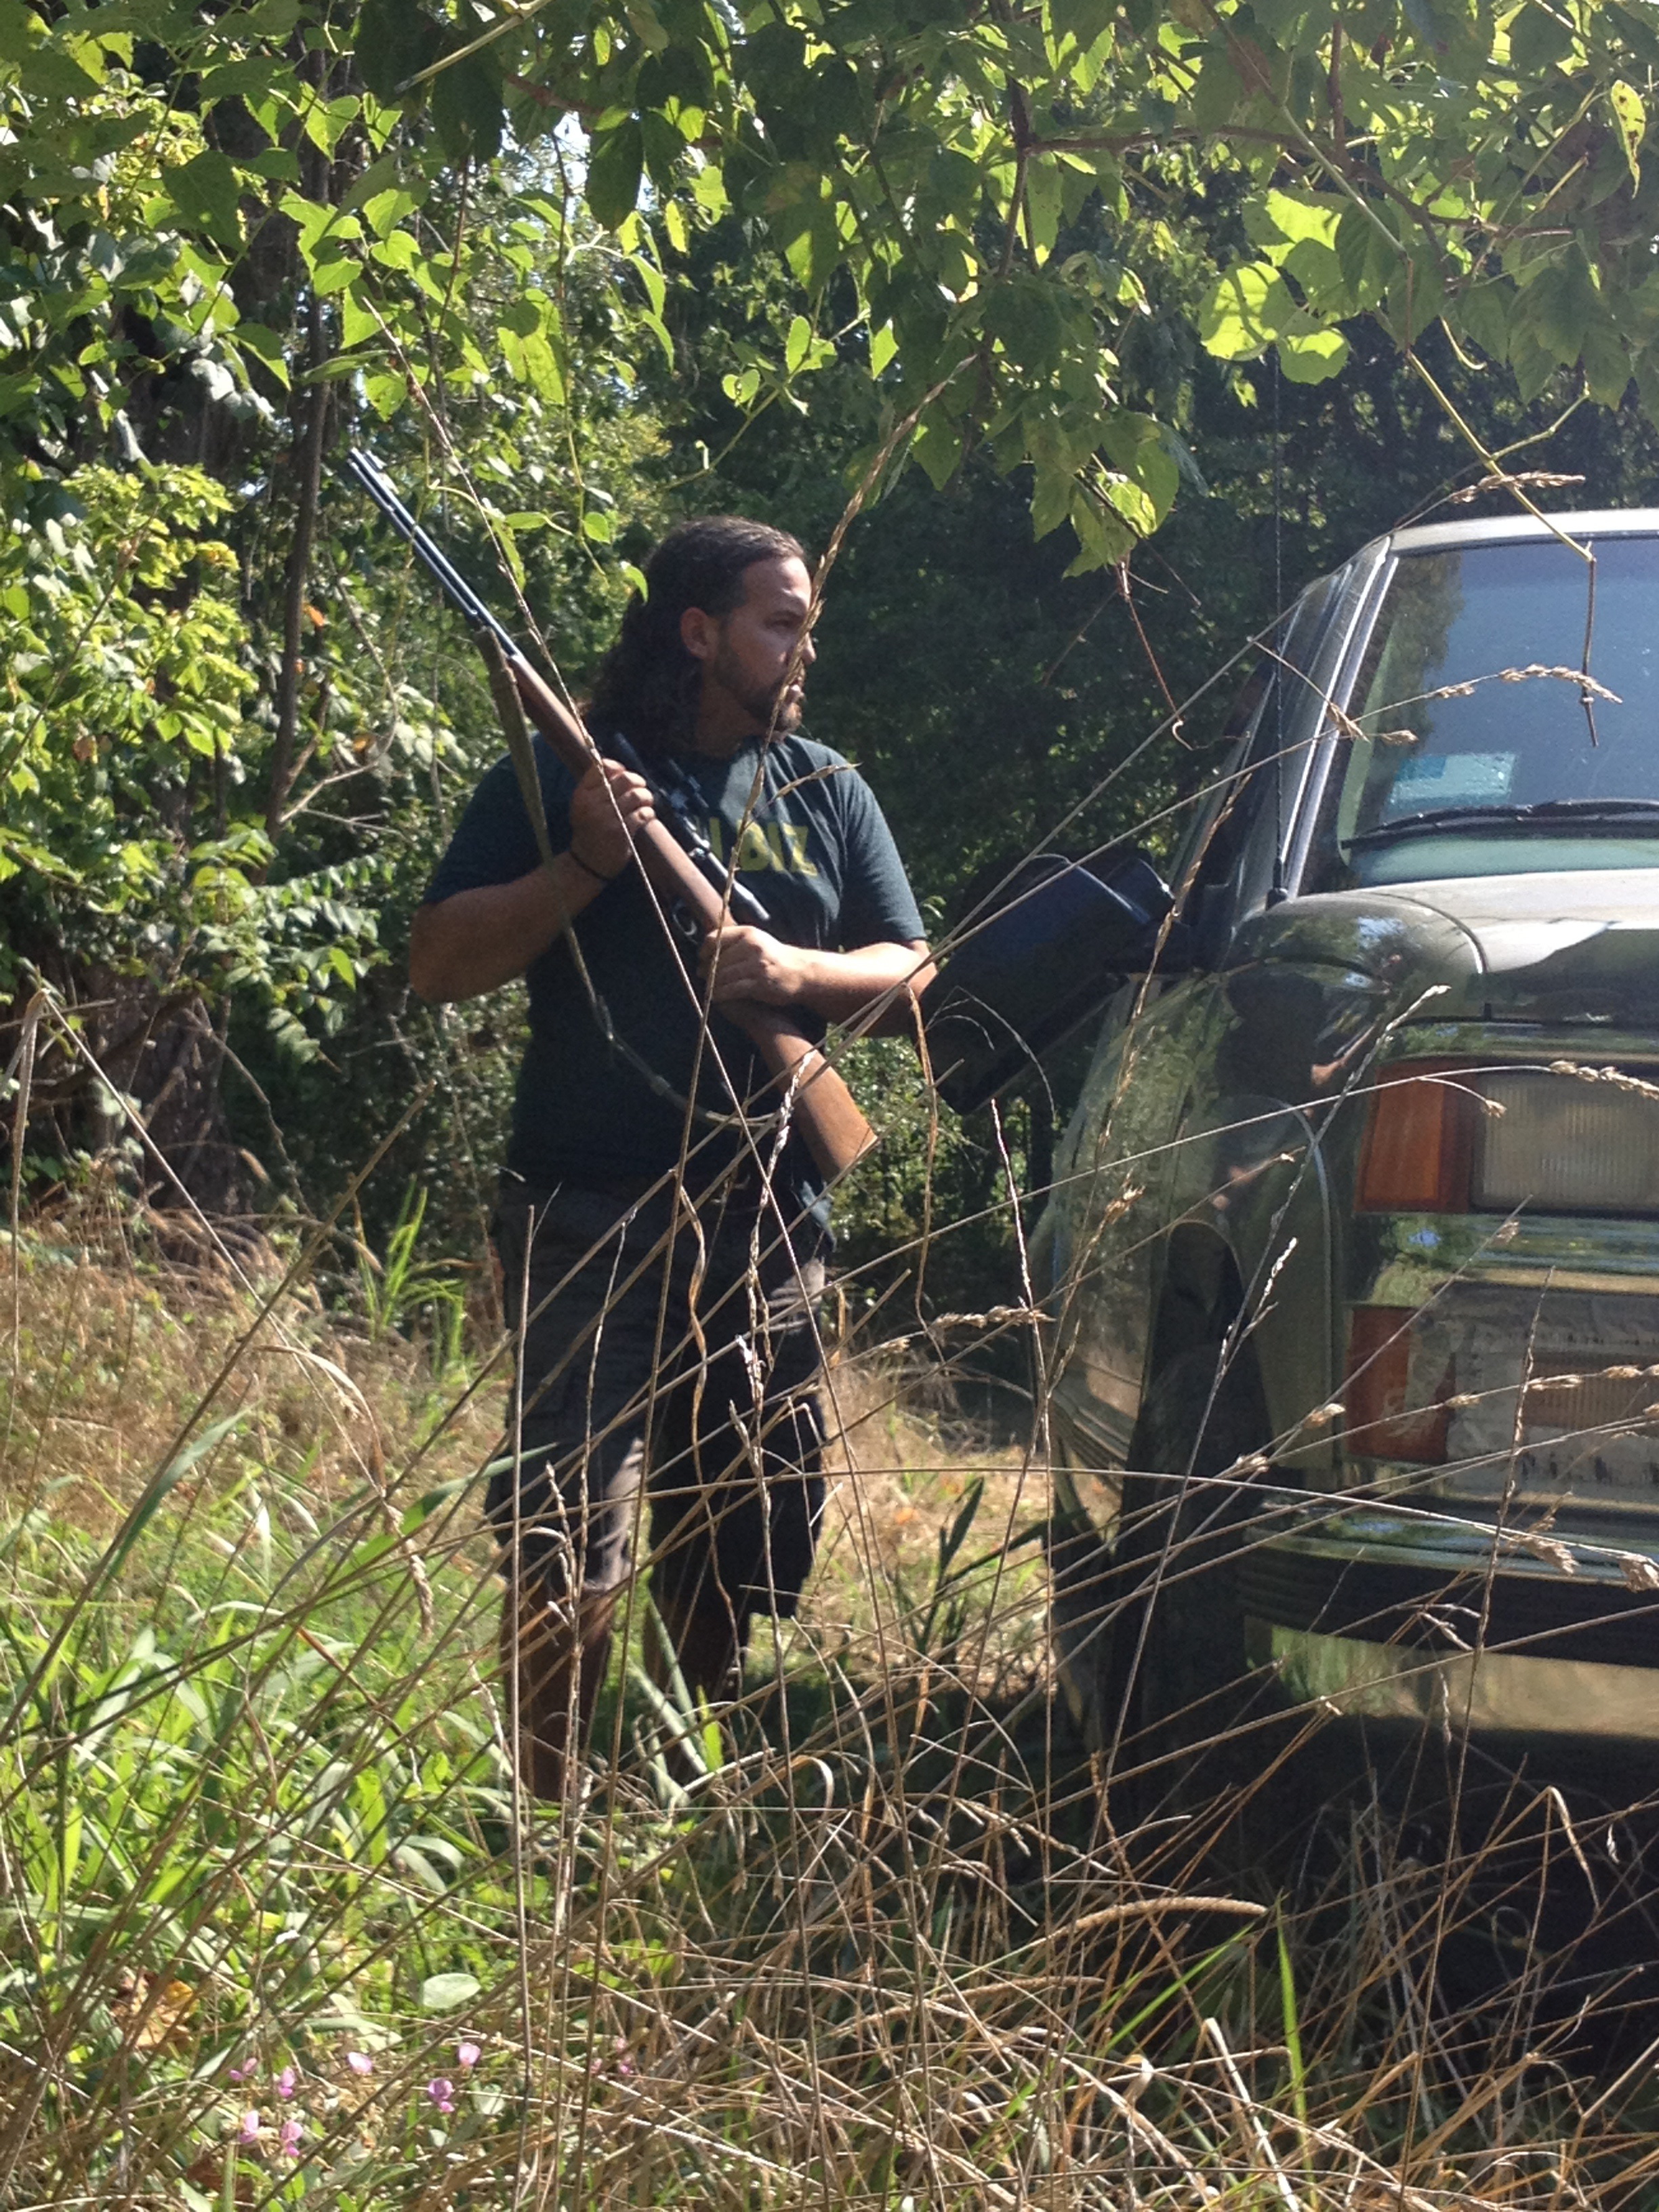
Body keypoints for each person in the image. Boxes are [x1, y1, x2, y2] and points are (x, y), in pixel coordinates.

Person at [409, 517, 930, 1797]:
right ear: (697, 633)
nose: (803, 647)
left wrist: (792, 971)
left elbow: (910, 967)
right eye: (780, 621)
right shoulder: (564, 780)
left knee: (733, 1526)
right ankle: (546, 1821)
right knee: (561, 1533)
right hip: (588, 1209)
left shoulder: (827, 788)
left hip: (766, 1222)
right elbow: (439, 964)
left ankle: (676, 1787)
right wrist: (587, 859)